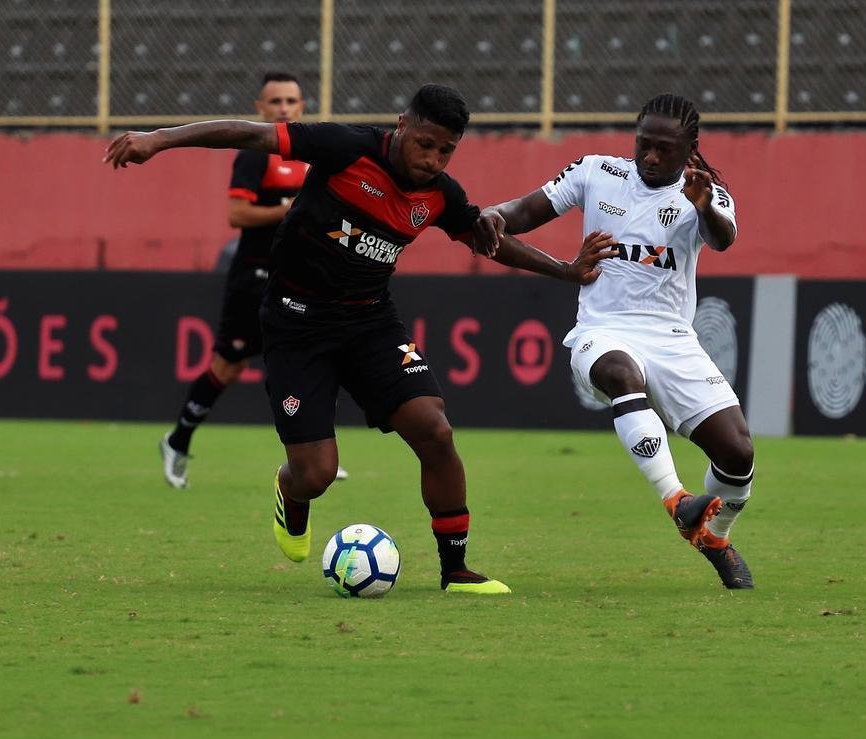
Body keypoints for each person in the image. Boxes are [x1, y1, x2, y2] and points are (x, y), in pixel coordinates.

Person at [106, 83, 614, 594]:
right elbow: (249, 134)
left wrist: (566, 271)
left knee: (434, 429)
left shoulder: (441, 195)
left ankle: (455, 570)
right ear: (402, 125)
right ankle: (290, 487)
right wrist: (160, 139)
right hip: (295, 323)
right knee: (318, 473)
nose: (434, 159)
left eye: (446, 151)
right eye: (426, 144)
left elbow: (492, 242)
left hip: (370, 323)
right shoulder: (344, 148)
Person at [473, 93, 756, 589]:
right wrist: (496, 213)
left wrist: (705, 206)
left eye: (663, 149)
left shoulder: (707, 195)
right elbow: (523, 211)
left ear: (689, 148)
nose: (649, 157)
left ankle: (714, 536)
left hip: (672, 338)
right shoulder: (596, 172)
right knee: (622, 373)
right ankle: (676, 499)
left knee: (738, 454)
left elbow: (724, 239)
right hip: (601, 331)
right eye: (643, 144)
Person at [158, 72, 348, 489]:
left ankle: (316, 449)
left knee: (315, 356)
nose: (284, 108)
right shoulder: (254, 155)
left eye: (291, 101)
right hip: (253, 276)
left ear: (302, 107)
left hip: (300, 277)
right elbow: (236, 216)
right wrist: (290, 211)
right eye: (275, 101)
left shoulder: (314, 155)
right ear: (260, 108)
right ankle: (177, 440)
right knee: (227, 367)